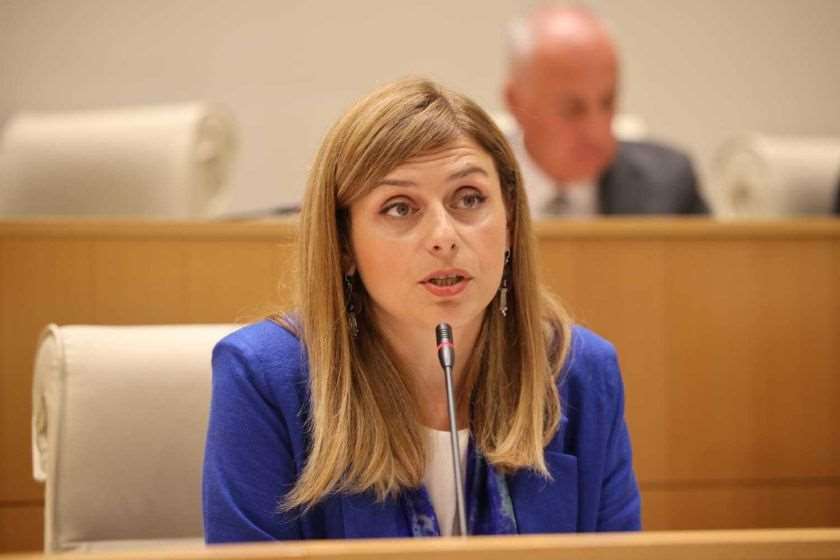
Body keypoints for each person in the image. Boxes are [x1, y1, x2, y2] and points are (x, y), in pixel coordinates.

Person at [202, 78, 641, 541]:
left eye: (469, 199)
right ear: (344, 242)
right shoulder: (265, 378)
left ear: (510, 218)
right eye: (400, 208)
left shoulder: (580, 373)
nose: (443, 236)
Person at [504, 6, 708, 217]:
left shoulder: (669, 185)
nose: (597, 129)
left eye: (607, 102)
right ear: (515, 103)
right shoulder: (483, 189)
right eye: (572, 109)